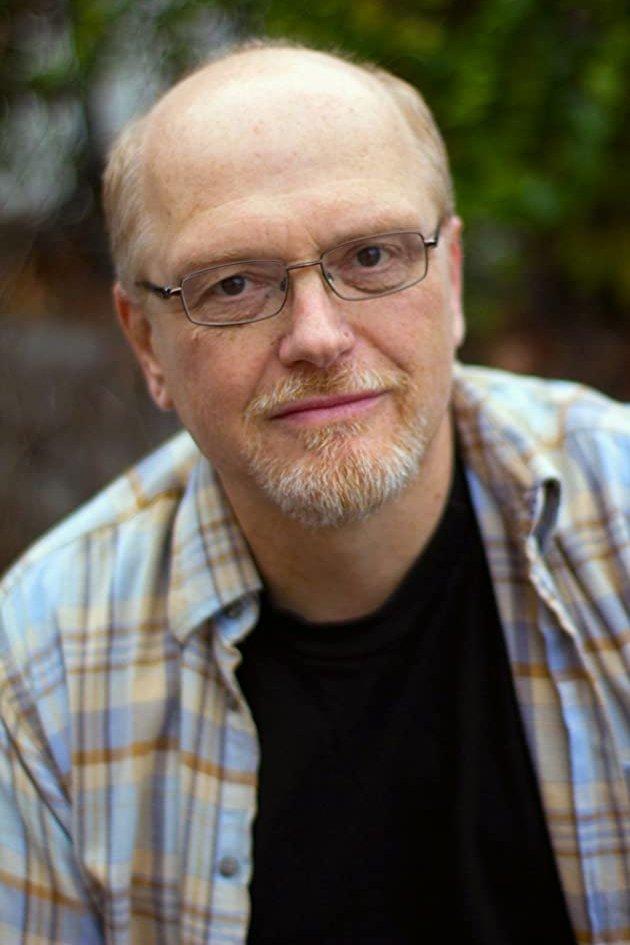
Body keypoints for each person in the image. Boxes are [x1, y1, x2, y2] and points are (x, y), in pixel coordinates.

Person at [0, 38, 627, 945]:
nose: (319, 336)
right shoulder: (42, 669)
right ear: (145, 342)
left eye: (371, 254)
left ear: (451, 280)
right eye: (233, 283)